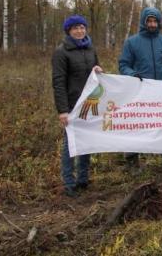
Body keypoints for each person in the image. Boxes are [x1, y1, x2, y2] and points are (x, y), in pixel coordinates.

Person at [119, 7, 162, 171]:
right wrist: (132, 74)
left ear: (159, 22)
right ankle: (132, 162)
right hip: (140, 91)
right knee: (136, 125)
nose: (152, 24)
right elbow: (123, 65)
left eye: (155, 21)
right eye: (149, 21)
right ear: (143, 22)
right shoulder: (132, 42)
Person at [52, 15, 104, 197]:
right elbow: (58, 82)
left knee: (86, 141)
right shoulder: (61, 52)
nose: (80, 31)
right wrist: (62, 110)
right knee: (70, 144)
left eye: (82, 27)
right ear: (69, 31)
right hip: (72, 105)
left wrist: (98, 69)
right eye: (75, 28)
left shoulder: (90, 48)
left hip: (89, 104)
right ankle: (68, 182)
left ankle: (83, 179)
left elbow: (97, 68)